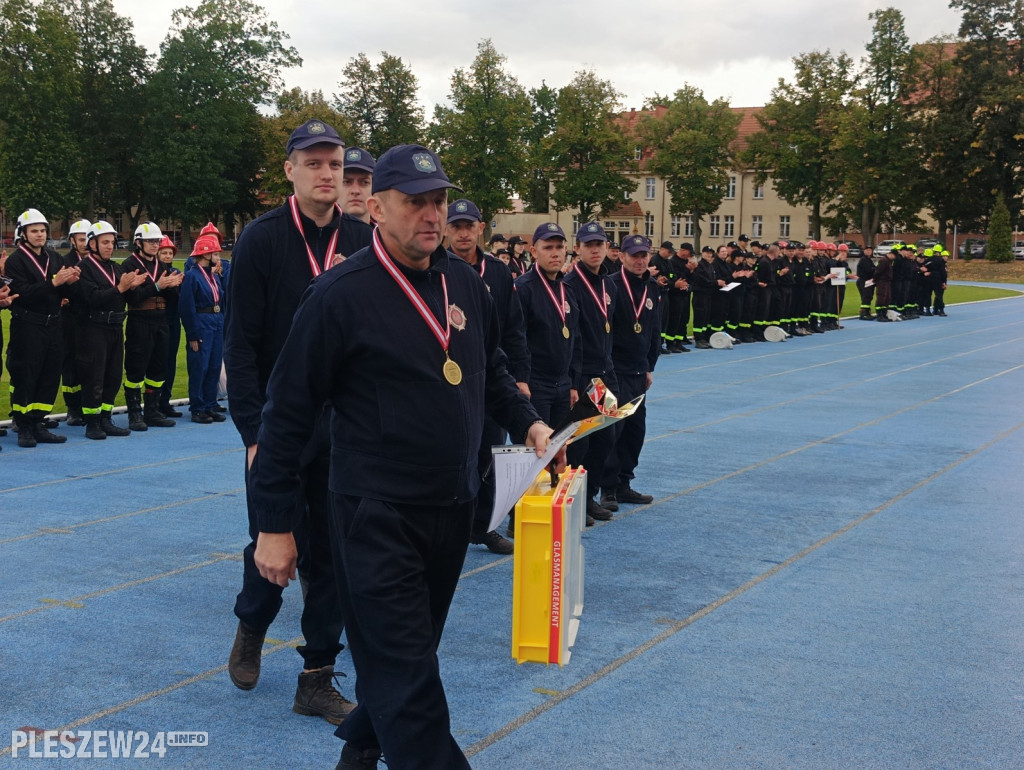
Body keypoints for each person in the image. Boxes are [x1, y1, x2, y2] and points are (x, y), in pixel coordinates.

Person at [248, 143, 560, 770]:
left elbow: (488, 367)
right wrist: (274, 525)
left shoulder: (467, 284)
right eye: (415, 202)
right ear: (378, 209)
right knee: (409, 682)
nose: (431, 214)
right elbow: (285, 414)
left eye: (439, 201)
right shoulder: (339, 294)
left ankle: (359, 757)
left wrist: (527, 423)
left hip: (450, 507)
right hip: (375, 512)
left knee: (406, 659)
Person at [223, 119, 371, 724]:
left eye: (334, 164)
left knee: (335, 556)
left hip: (345, 430)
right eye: (313, 163)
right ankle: (252, 624)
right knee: (274, 546)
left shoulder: (363, 240)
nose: (326, 174)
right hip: (281, 428)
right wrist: (256, 435)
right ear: (289, 170)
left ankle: (315, 677)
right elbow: (241, 345)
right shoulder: (261, 240)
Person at [445, 198, 530, 554]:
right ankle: (452, 526)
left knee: (493, 452)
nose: (463, 233)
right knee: (454, 453)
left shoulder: (497, 271)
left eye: (470, 226)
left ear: (482, 228)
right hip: (451, 378)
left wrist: (520, 377)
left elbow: (513, 328)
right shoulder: (438, 268)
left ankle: (485, 526)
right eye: (457, 226)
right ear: (447, 230)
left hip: (490, 376)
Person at [5, 208, 81, 446]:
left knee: (49, 375)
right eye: (34, 231)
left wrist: (70, 283)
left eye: (42, 230)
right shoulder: (16, 261)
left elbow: (62, 291)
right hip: (28, 325)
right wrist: (53, 283)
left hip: (53, 325)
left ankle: (39, 422)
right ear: (23, 234)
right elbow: (22, 293)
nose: (39, 235)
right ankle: (24, 425)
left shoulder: (54, 257)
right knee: (27, 374)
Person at [564, 222, 619, 521]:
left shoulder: (608, 284)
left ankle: (591, 496)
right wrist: (575, 380)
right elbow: (574, 337)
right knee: (580, 444)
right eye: (589, 245)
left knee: (605, 439)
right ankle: (574, 502)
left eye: (600, 244)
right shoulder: (570, 285)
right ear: (578, 248)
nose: (595, 249)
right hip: (585, 376)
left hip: (605, 374)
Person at [601, 234, 659, 511]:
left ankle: (624, 483)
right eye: (634, 255)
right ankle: (607, 488)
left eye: (644, 255)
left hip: (638, 372)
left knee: (635, 433)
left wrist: (649, 366)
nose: (639, 260)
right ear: (621, 256)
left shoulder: (654, 289)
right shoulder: (610, 286)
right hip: (614, 372)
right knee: (611, 432)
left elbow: (655, 331)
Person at [75, 221, 148, 439]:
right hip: (94, 328)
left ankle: (106, 417)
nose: (109, 246)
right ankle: (92, 423)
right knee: (94, 375)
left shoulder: (115, 268)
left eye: (112, 242)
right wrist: (120, 288)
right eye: (104, 242)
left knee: (114, 375)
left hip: (116, 326)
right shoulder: (84, 269)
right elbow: (92, 298)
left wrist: (135, 287)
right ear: (92, 243)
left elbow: (129, 298)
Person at [121, 222, 183, 430]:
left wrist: (174, 287)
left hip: (161, 319)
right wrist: (157, 286)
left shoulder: (162, 266)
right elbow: (133, 297)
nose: (155, 245)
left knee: (159, 367)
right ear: (138, 243)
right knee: (136, 367)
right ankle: (134, 414)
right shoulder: (130, 265)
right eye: (150, 241)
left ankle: (152, 411)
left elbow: (170, 297)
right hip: (140, 320)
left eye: (157, 241)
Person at [179, 234, 226, 424]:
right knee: (200, 365)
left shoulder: (213, 275)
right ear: (206, 254)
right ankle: (197, 408)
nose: (218, 256)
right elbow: (186, 306)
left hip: (216, 320)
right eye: (215, 252)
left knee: (214, 365)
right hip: (202, 321)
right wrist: (192, 333)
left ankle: (209, 403)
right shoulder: (192, 276)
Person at [61, 218, 91, 425]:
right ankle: (73, 408)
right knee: (71, 364)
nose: (85, 244)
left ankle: (88, 406)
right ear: (72, 240)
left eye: (88, 239)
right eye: (81, 239)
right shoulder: (64, 261)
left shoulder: (96, 263)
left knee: (90, 365)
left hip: (91, 320)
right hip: (70, 320)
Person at [157, 236, 185, 417]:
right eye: (164, 253)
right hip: (159, 321)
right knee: (158, 362)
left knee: (171, 362)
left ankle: (165, 401)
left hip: (173, 321)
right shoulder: (156, 273)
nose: (167, 256)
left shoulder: (176, 272)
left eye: (170, 253)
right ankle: (155, 402)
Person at [340, 147, 375, 225]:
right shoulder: (314, 235)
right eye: (346, 182)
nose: (355, 191)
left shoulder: (389, 236)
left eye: (364, 182)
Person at [856, 244, 876, 320]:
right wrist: (875, 269)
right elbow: (869, 270)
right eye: (867, 250)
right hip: (864, 280)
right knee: (866, 297)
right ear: (864, 251)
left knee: (868, 297)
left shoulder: (868, 259)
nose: (869, 251)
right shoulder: (864, 260)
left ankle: (867, 312)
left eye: (870, 250)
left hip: (868, 281)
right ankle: (863, 313)